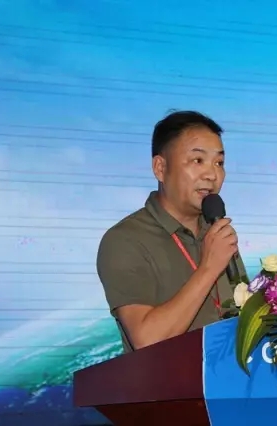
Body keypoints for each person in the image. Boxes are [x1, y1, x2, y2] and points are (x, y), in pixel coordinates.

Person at [96, 110, 246, 353]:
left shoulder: (216, 230)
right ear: (160, 168)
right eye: (198, 160)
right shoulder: (124, 241)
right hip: (173, 378)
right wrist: (209, 268)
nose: (212, 174)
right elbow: (147, 340)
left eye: (219, 163)